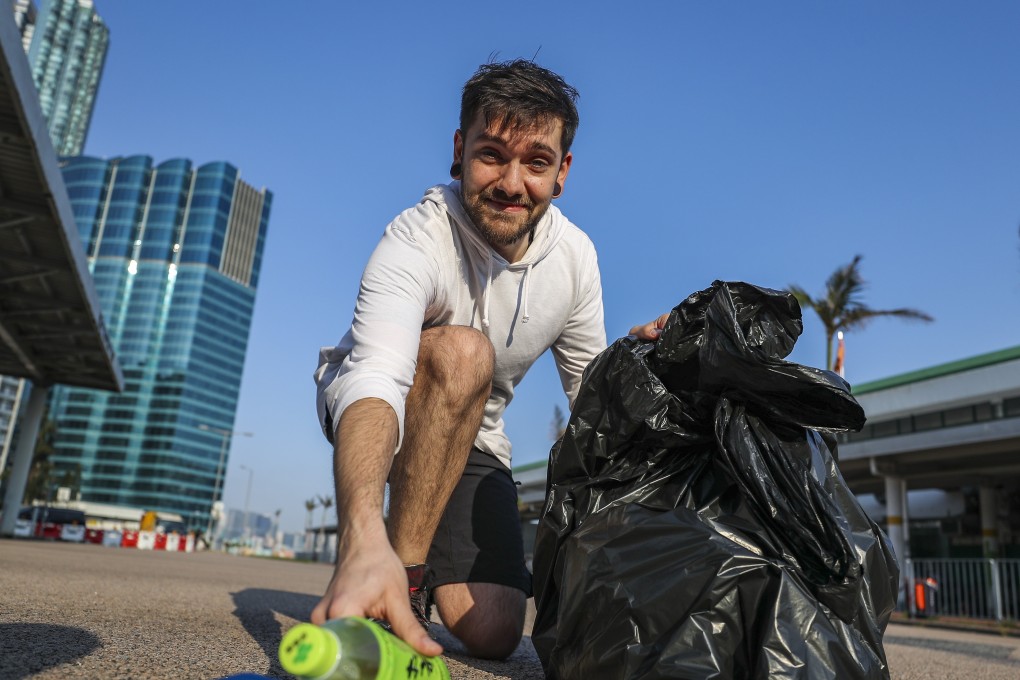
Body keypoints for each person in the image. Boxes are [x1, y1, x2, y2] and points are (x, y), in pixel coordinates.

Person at [311, 59, 665, 660]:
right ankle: (396, 580)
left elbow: (592, 404)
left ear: (562, 173)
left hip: (476, 434)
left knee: (495, 631)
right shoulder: (417, 237)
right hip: (377, 405)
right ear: (459, 149)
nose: (511, 182)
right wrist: (360, 535)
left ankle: (408, 561)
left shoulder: (576, 259)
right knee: (462, 351)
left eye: (536, 162)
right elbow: (375, 375)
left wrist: (642, 367)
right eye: (492, 154)